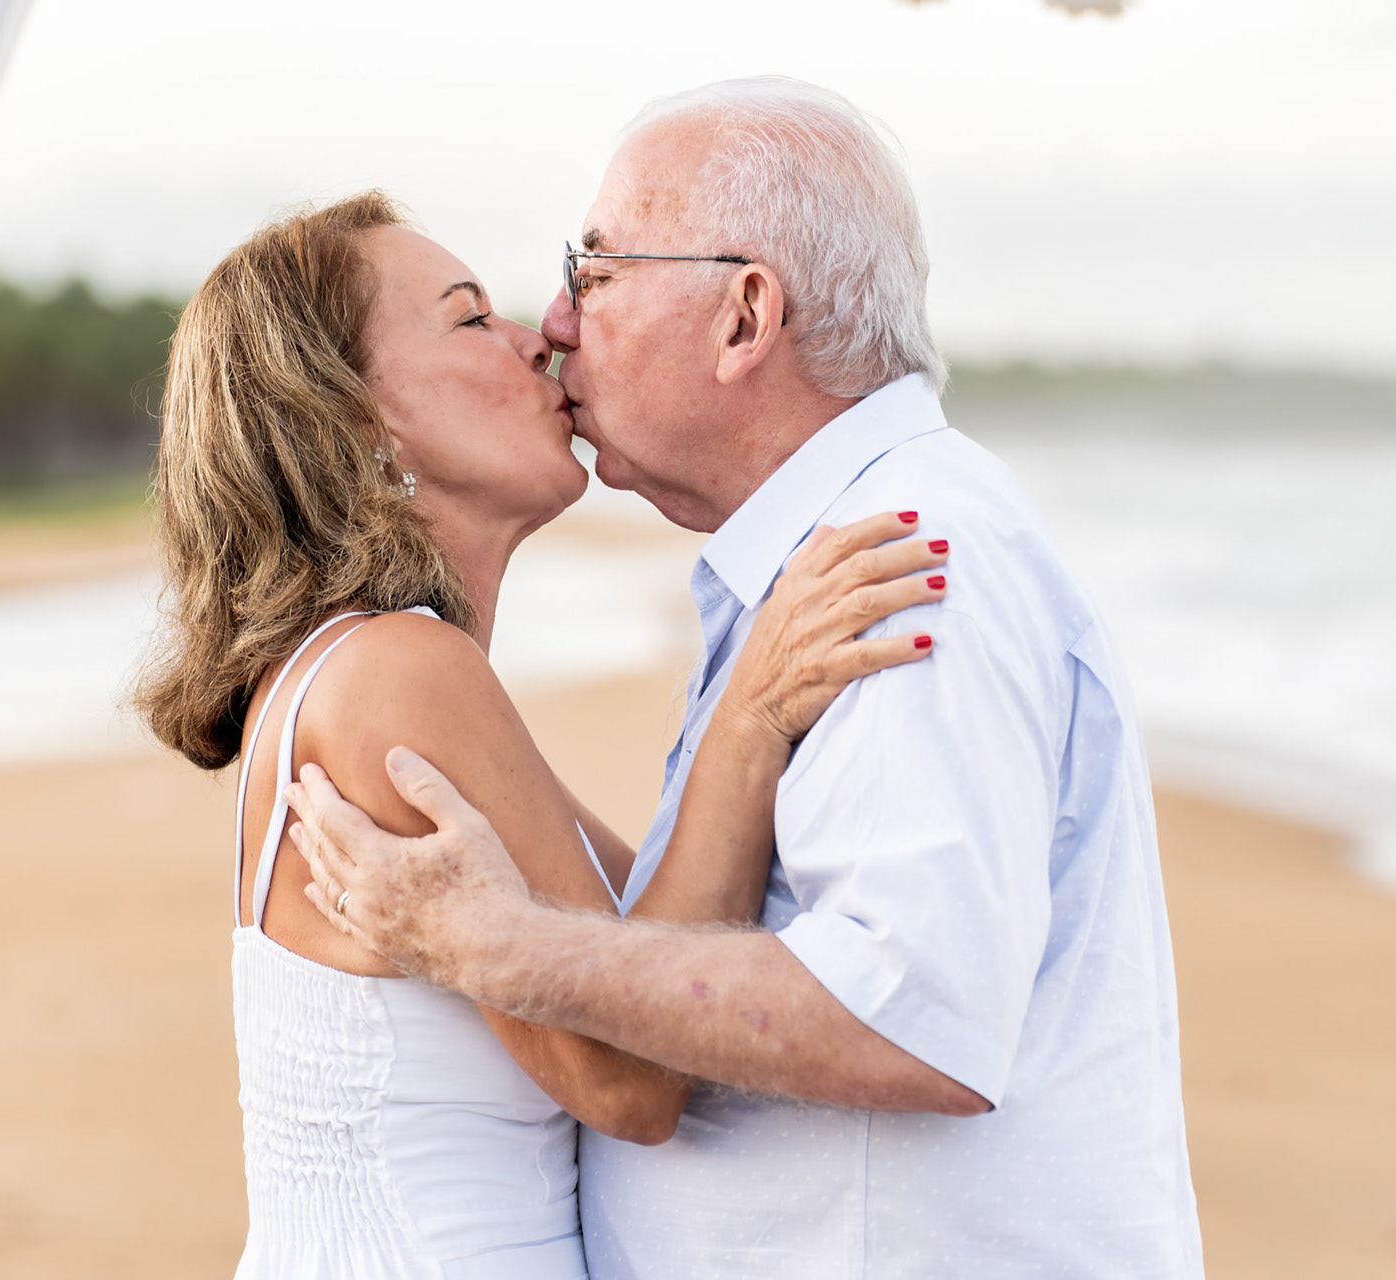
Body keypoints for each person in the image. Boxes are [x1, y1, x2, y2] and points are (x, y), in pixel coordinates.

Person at [285, 78, 1206, 1279]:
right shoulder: (825, 562)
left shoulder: (909, 559)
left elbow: (905, 1011)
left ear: (744, 317)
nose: (555, 322)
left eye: (598, 273)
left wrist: (494, 943)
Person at [133, 190, 952, 1278]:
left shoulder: (374, 669)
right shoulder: (395, 673)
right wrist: (751, 714)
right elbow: (633, 1074)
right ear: (357, 418)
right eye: (472, 319)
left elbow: (655, 934)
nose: (540, 335)